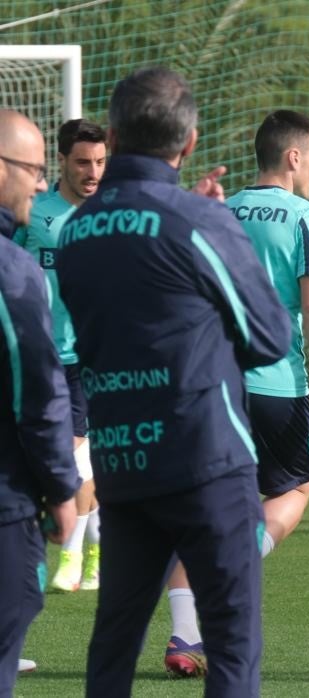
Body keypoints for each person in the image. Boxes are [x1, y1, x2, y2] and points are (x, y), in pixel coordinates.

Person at [57, 67, 290, 697]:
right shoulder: (200, 222)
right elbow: (271, 338)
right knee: (233, 643)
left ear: (113, 135)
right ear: (188, 144)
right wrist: (224, 236)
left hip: (122, 458)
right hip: (203, 458)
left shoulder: (74, 230)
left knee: (114, 642)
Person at [162, 109, 309, 677]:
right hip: (273, 385)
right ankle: (237, 565)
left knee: (201, 509)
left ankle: (182, 637)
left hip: (208, 381)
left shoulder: (217, 209)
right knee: (296, 486)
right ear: (293, 157)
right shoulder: (304, 216)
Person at [0, 108, 80, 698]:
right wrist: (60, 489)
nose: (39, 182)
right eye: (31, 169)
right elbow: (37, 391)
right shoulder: (12, 270)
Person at [13, 119, 107, 593]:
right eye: (82, 162)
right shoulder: (36, 215)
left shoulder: (112, 216)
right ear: (63, 163)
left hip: (88, 359)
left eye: (100, 162)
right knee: (54, 456)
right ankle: (92, 549)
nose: (92, 172)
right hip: (35, 354)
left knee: (74, 454)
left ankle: (73, 555)